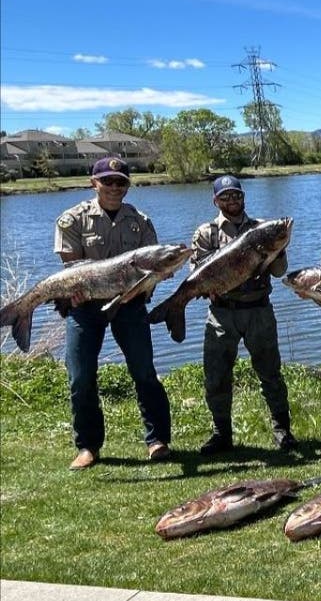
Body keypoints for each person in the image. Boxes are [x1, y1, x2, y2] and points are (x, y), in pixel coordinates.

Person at [53, 156, 173, 470]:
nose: (115, 187)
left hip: (130, 304)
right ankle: (88, 446)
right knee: (80, 376)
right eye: (108, 181)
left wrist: (158, 276)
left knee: (145, 372)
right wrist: (73, 293)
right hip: (85, 308)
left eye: (121, 182)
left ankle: (157, 440)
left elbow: (153, 267)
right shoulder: (72, 219)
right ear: (94, 183)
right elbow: (71, 269)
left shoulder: (141, 221)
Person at [193, 175, 295, 454]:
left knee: (270, 373)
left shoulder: (263, 228)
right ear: (215, 200)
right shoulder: (206, 233)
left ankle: (282, 430)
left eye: (236, 195)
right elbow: (197, 273)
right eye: (225, 196)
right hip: (222, 314)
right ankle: (221, 434)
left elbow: (278, 272)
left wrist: (280, 248)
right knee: (216, 376)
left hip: (259, 310)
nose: (232, 200)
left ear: (243, 197)